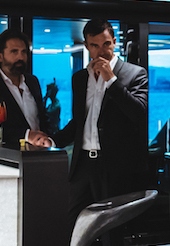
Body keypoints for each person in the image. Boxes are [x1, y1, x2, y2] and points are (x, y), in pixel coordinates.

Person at [48, 20, 150, 230]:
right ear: (86, 46)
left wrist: (111, 79)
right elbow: (80, 121)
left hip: (115, 167)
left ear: (114, 42)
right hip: (83, 165)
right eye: (95, 45)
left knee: (112, 230)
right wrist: (52, 141)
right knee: (74, 225)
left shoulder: (135, 74)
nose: (102, 51)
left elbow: (138, 113)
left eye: (106, 44)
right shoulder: (79, 78)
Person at [0, 29, 50, 147]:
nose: (20, 57)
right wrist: (26, 135)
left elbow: (41, 119)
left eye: (24, 52)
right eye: (14, 52)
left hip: (40, 152)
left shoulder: (32, 82)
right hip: (6, 154)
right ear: (0, 56)